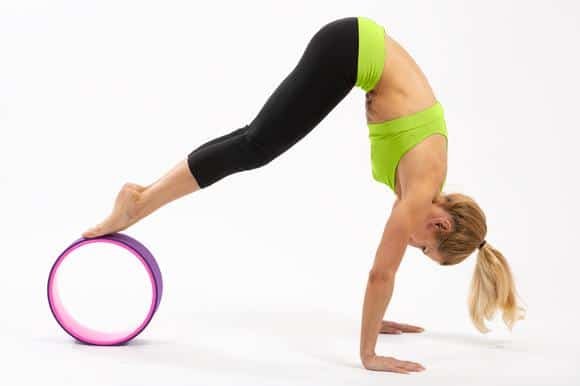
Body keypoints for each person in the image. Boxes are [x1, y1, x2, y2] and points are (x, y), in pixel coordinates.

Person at [81, 16, 526, 373]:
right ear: (441, 223)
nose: (413, 245)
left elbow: (383, 272)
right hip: (350, 49)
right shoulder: (421, 191)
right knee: (256, 145)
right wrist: (368, 354)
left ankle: (143, 198)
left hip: (353, 45)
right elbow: (381, 276)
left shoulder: (424, 186)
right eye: (425, 247)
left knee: (254, 143)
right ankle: (139, 202)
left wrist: (376, 319)